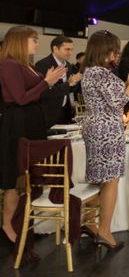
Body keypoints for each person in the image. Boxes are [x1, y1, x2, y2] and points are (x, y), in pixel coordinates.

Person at [79, 30, 129, 249]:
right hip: (106, 129)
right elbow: (118, 101)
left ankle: (88, 222)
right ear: (105, 50)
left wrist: (127, 80)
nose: (117, 54)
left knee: (98, 178)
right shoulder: (101, 73)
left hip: (93, 126)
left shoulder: (89, 71)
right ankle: (105, 231)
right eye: (114, 50)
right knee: (111, 180)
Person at [0, 26, 66, 244]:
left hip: (30, 122)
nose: (37, 44)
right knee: (14, 177)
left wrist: (49, 82)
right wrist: (47, 82)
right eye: (33, 40)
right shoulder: (9, 65)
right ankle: (8, 224)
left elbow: (36, 91)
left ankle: (23, 220)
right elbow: (20, 98)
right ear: (20, 41)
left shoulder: (24, 64)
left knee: (29, 175)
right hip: (18, 124)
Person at [35, 35, 82, 126]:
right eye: (67, 49)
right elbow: (45, 92)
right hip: (49, 110)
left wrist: (74, 82)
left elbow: (68, 89)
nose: (70, 53)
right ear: (55, 48)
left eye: (71, 49)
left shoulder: (68, 65)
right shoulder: (43, 64)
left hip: (65, 110)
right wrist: (69, 83)